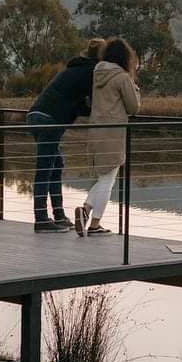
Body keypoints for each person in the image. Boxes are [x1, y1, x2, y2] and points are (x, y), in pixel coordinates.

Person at [26, 38, 106, 233]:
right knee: (44, 169)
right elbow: (93, 101)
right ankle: (41, 219)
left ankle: (59, 216)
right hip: (49, 120)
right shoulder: (91, 72)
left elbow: (77, 104)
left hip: (38, 116)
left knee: (55, 164)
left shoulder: (77, 68)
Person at [75, 38, 140, 236]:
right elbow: (133, 107)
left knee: (104, 176)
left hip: (95, 129)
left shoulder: (97, 72)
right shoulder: (121, 77)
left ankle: (85, 212)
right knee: (108, 179)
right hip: (112, 132)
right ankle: (94, 224)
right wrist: (135, 88)